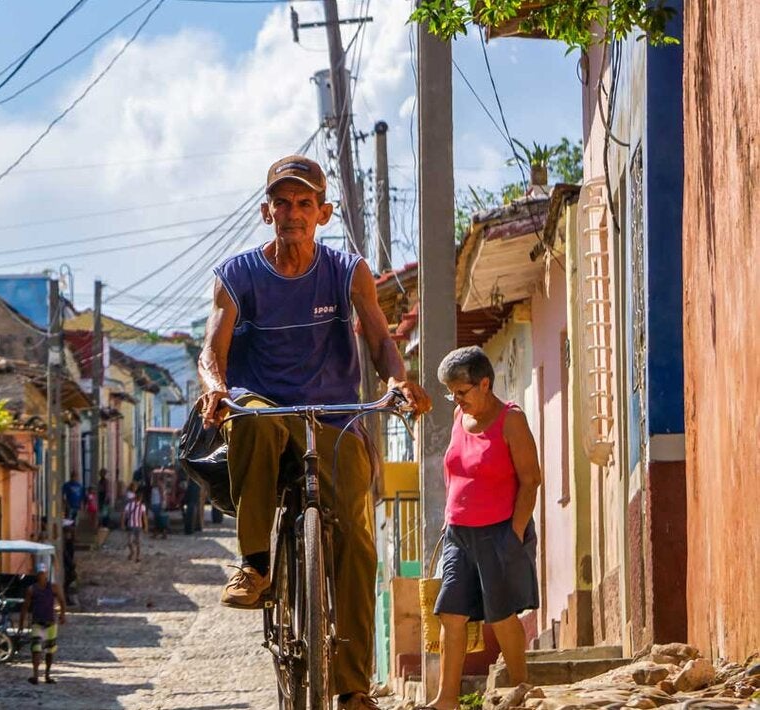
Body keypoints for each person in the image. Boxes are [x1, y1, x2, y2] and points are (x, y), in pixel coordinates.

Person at [197, 155, 431, 710]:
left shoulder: (346, 271)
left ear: (324, 213)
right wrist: (214, 386)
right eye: (282, 202)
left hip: (332, 416)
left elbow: (378, 341)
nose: (292, 213)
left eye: (305, 203)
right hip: (265, 409)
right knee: (251, 417)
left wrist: (398, 380)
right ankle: (255, 564)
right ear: (266, 211)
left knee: (356, 536)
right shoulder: (238, 275)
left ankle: (352, 688)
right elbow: (212, 350)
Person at [425, 347, 541, 710]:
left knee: (501, 613)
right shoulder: (461, 418)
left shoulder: (511, 420)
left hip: (499, 531)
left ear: (485, 383)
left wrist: (515, 533)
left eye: (462, 391)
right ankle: (446, 699)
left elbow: (531, 480)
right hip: (459, 533)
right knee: (450, 612)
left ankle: (522, 687)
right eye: (451, 393)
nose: (456, 400)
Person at [19, 564, 68, 685]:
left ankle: (47, 674)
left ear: (46, 574)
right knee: (36, 649)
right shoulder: (32, 589)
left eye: (43, 573)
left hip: (50, 622)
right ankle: (35, 675)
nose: (41, 575)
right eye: (40, 573)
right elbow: (25, 606)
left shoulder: (53, 588)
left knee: (50, 650)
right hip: (37, 622)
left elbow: (62, 601)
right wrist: (22, 622)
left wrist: (62, 614)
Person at [122, 491, 147, 563]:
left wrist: (145, 526)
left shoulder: (142, 506)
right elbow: (124, 514)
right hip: (131, 524)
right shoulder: (129, 505)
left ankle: (138, 556)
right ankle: (132, 552)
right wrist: (123, 523)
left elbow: (144, 516)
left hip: (138, 525)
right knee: (130, 541)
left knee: (137, 541)